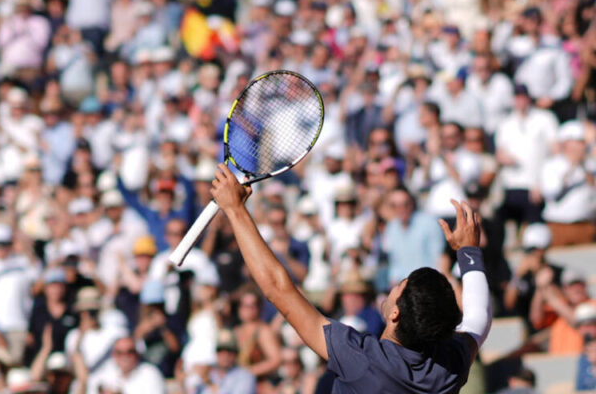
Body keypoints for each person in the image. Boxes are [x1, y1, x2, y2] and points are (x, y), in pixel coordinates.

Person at [208, 163, 491, 392]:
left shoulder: (362, 360)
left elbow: (278, 289)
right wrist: (468, 252)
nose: (393, 287)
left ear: (395, 313)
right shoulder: (449, 368)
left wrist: (234, 210)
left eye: (399, 287)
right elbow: (479, 318)